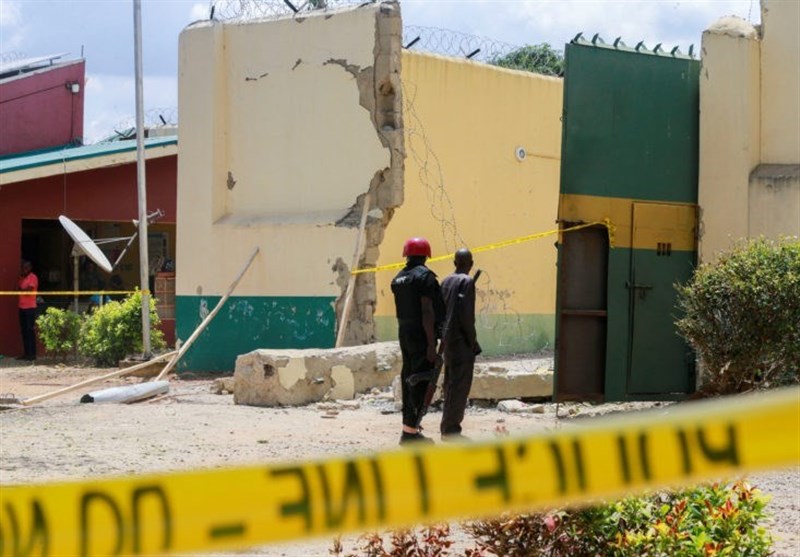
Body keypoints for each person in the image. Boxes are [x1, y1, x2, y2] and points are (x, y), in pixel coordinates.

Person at [391, 237, 444, 445]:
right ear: (425, 256)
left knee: (408, 376)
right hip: (423, 333)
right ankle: (411, 433)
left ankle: (409, 428)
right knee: (422, 378)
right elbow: (427, 311)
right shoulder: (425, 277)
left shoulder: (398, 279)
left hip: (404, 333)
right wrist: (431, 344)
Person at [440, 249, 481, 441]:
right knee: (460, 386)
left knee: (450, 384)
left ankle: (446, 424)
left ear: (454, 262)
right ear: (470, 263)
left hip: (447, 341)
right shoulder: (467, 282)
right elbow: (467, 317)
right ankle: (451, 428)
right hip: (461, 341)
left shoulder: (446, 281)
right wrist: (473, 341)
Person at [17, 260, 38, 361]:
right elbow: (18, 288)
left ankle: (32, 354)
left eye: (26, 268)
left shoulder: (33, 277)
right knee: (24, 331)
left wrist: (22, 290)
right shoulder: (22, 278)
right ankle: (26, 353)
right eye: (23, 268)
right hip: (21, 307)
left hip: (30, 308)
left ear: (30, 268)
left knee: (30, 330)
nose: (24, 270)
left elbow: (29, 290)